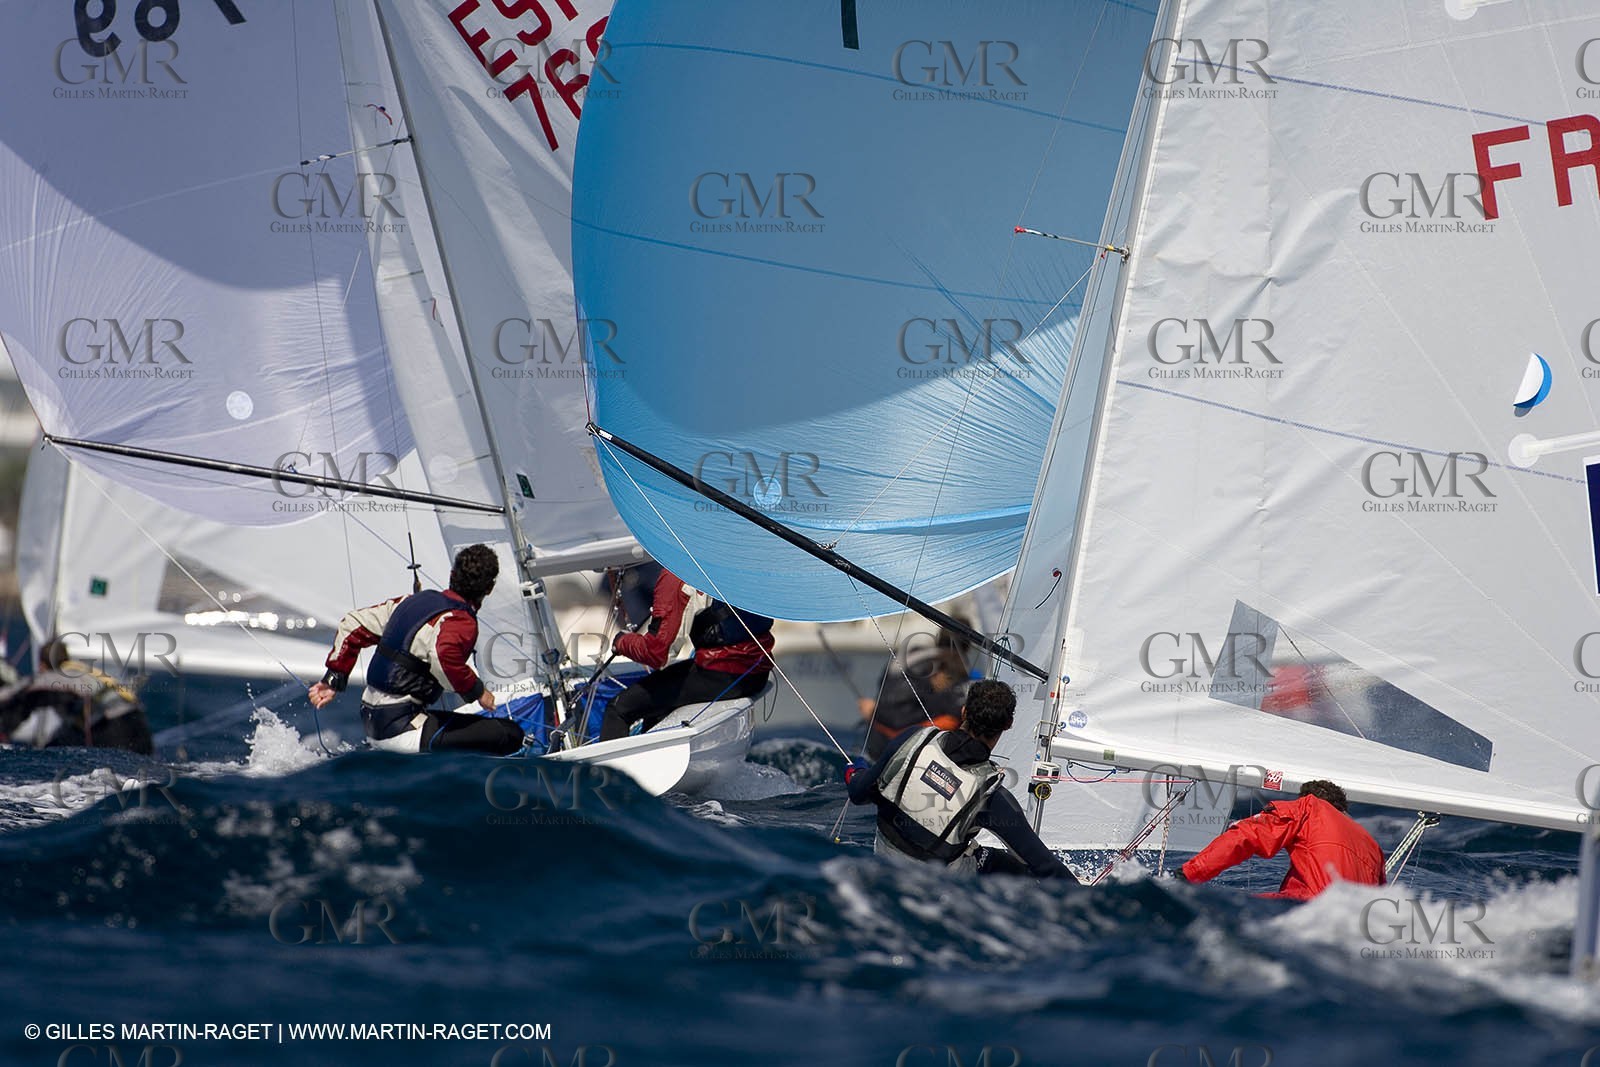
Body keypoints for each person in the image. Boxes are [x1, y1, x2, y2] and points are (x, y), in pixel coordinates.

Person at [846, 679, 1080, 882]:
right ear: (1008, 725)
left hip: (884, 864)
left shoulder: (913, 739)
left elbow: (859, 794)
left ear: (964, 712)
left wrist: (856, 771)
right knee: (1007, 866)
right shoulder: (991, 797)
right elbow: (1045, 866)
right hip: (936, 887)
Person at [308, 544, 524, 756]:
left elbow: (353, 624)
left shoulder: (409, 602)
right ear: (489, 588)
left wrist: (334, 677)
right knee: (509, 734)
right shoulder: (461, 621)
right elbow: (444, 657)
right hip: (401, 729)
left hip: (372, 720)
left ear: (452, 574)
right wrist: (478, 692)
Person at [598, 567, 774, 742]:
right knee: (656, 706)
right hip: (757, 673)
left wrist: (621, 641)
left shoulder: (676, 574)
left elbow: (657, 654)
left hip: (719, 676)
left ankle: (608, 771)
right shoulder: (730, 561)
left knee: (618, 709)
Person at [1176, 779, 1385, 900]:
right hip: (1348, 925)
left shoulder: (1310, 807)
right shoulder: (1372, 845)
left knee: (1216, 907)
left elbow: (1245, 836)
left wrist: (1188, 874)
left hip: (1309, 911)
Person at [0, 638, 152, 754]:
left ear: (42, 664)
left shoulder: (56, 677)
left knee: (54, 749)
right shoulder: (85, 670)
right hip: (139, 724)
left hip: (115, 729)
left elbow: (26, 692)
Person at [857, 624, 971, 759]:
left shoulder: (917, 656)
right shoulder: (949, 673)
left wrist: (874, 711)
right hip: (894, 743)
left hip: (889, 744)